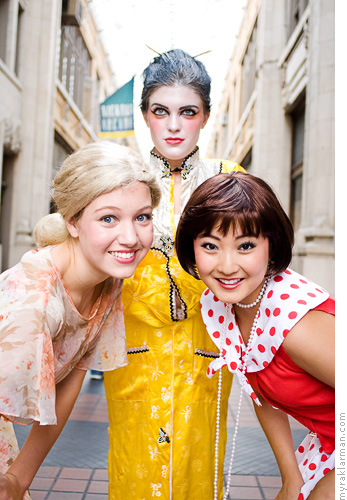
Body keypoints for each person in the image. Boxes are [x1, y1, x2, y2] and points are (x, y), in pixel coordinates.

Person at [104, 49, 245, 499]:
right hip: (133, 355)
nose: (173, 125)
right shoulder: (117, 177)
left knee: (198, 474)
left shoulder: (230, 181)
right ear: (144, 114)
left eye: (188, 112)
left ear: (205, 115)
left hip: (206, 355)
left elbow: (254, 262)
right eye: (160, 111)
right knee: (135, 472)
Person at [0, 141, 161, 500]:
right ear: (73, 222)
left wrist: (19, 479)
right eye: (108, 218)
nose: (131, 238)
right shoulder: (35, 303)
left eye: (142, 217)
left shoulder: (109, 278)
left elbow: (74, 371)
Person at [175, 172, 335, 500]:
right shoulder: (226, 306)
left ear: (272, 247)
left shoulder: (297, 324)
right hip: (326, 442)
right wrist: (291, 479)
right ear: (192, 250)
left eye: (245, 245)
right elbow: (257, 388)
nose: (227, 265)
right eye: (210, 245)